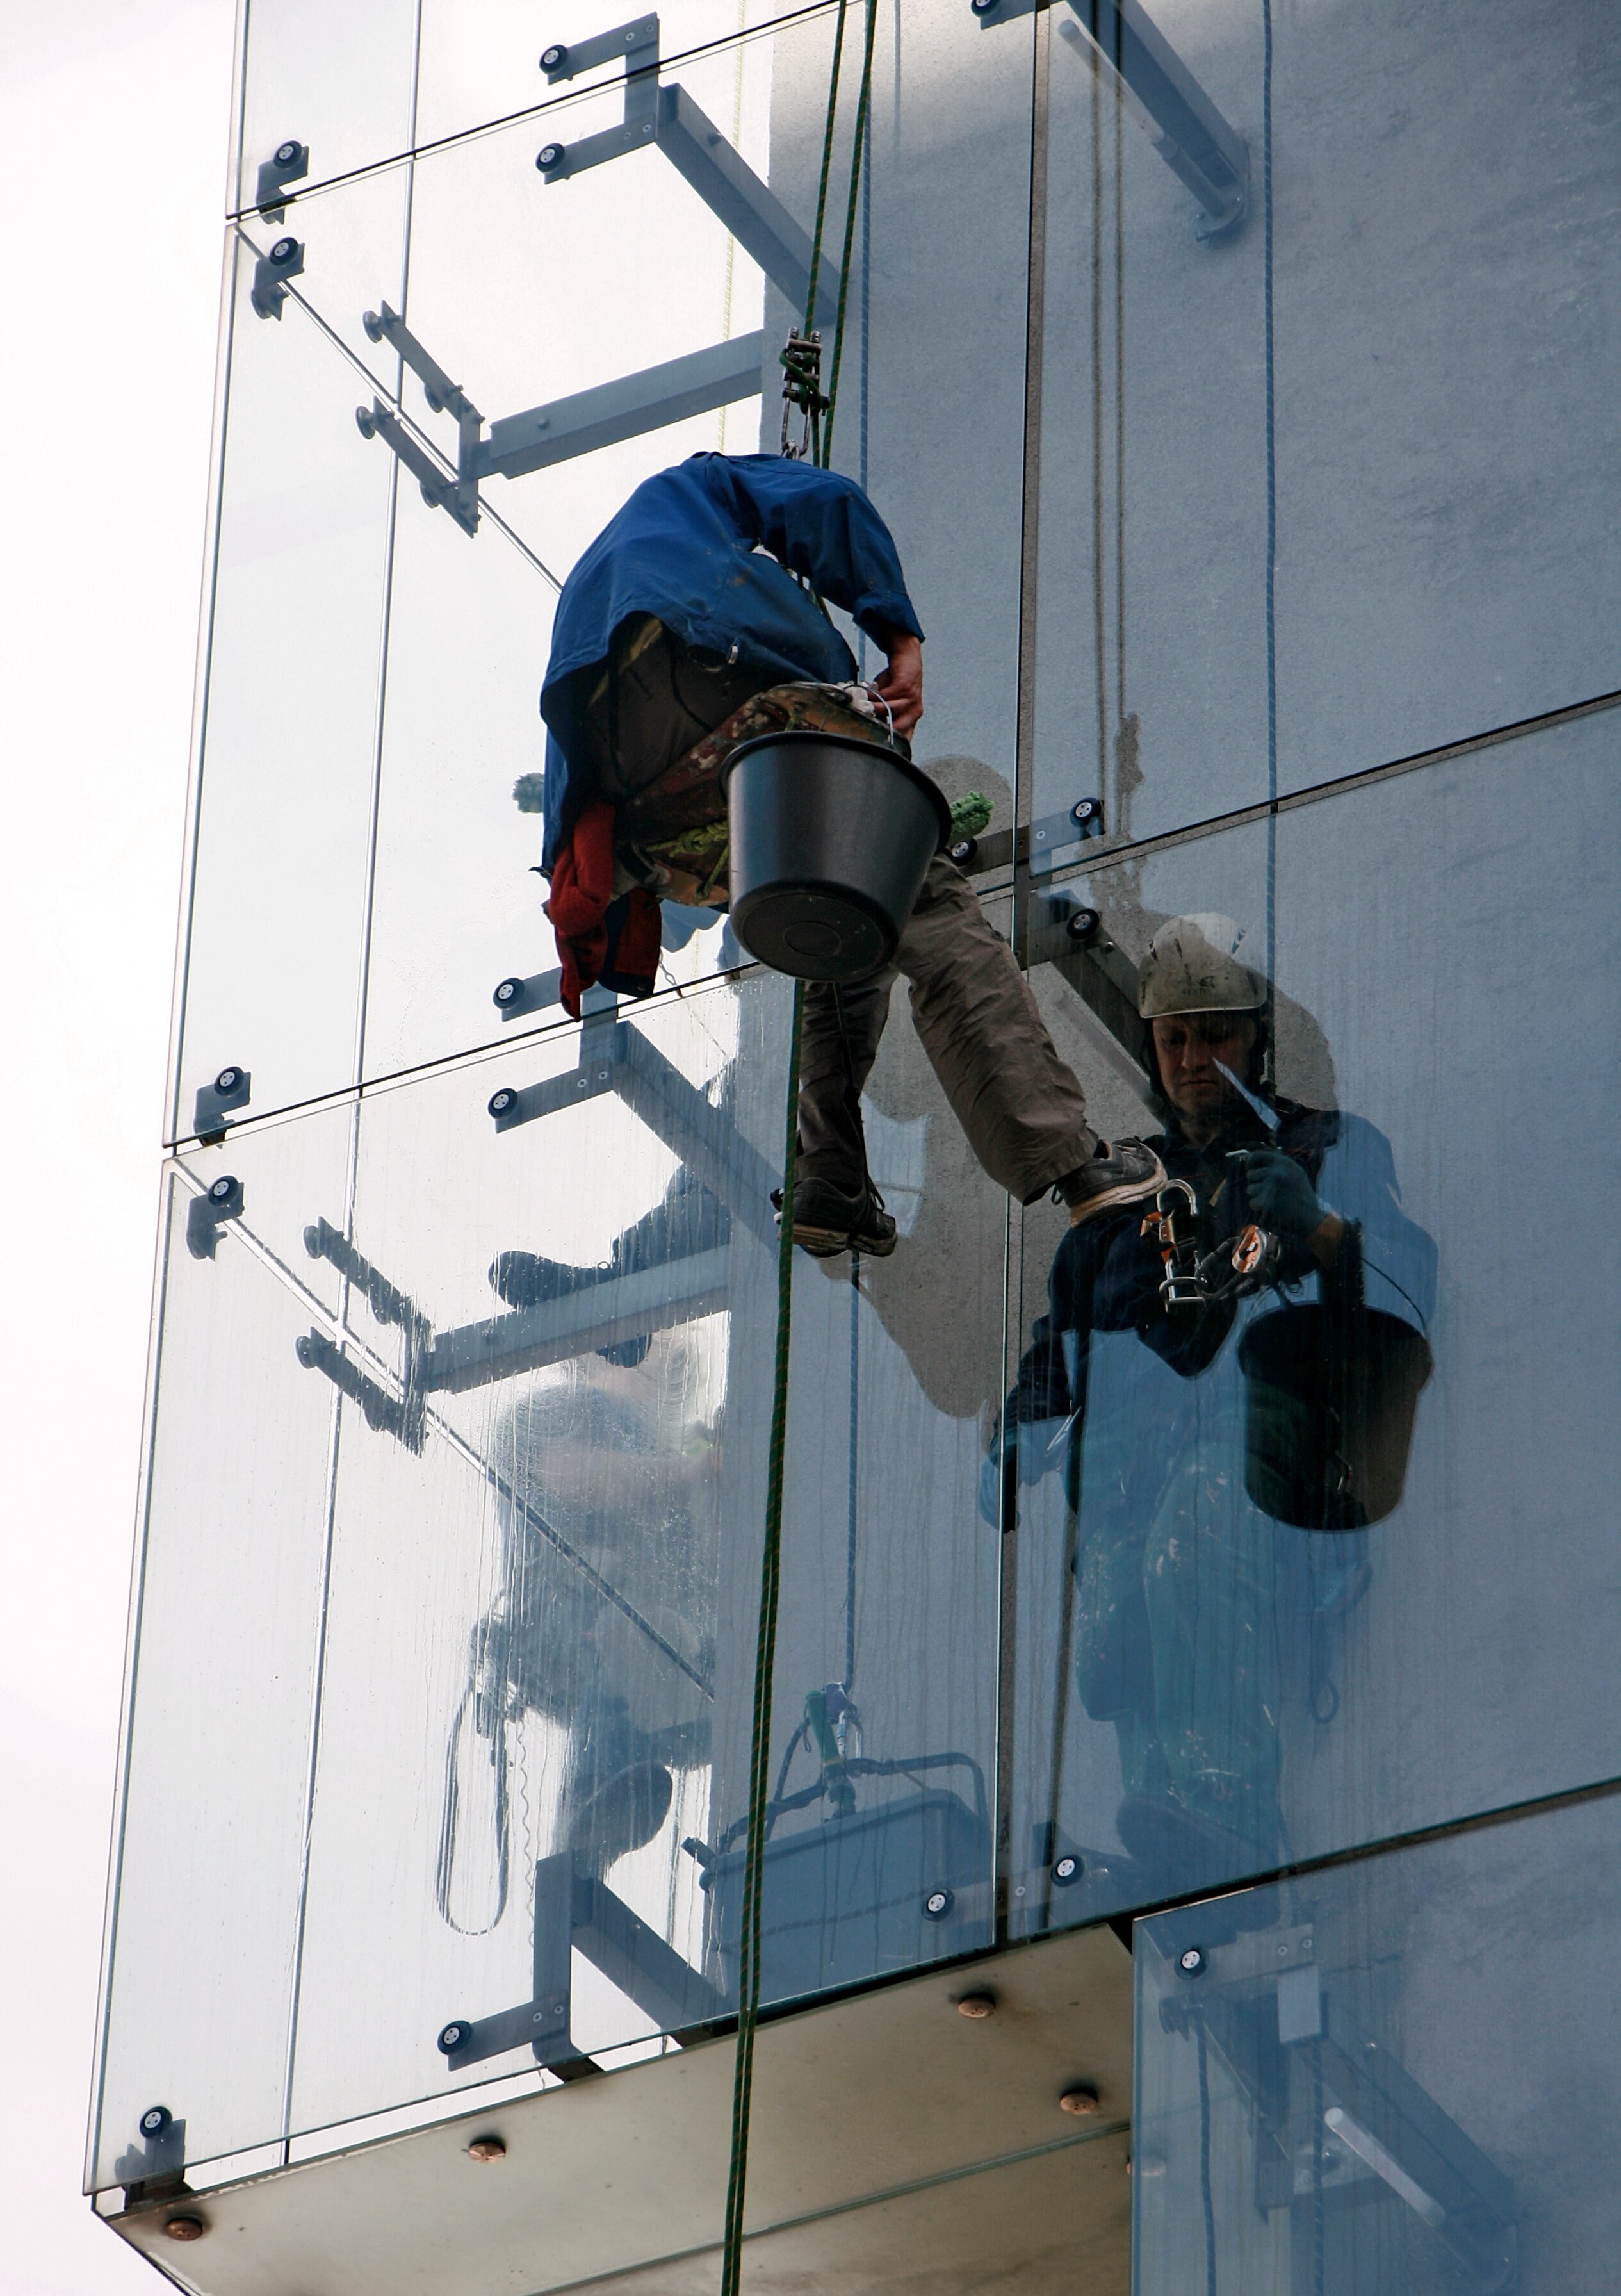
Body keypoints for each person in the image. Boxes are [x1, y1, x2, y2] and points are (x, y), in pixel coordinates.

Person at [523, 451, 1164, 1267]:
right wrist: (899, 641)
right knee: (921, 898)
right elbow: (825, 502)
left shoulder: (605, 577)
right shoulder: (696, 487)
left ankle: (827, 1172)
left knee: (839, 901)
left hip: (641, 804)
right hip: (708, 666)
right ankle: (1073, 1163)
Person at [989, 914, 1437, 1897]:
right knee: (1120, 1629)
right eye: (1174, 1039)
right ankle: (1178, 1845)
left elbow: (1409, 1296)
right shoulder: (1117, 1204)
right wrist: (1015, 1437)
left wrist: (1319, 1230)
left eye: (1217, 1035)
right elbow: (1056, 1351)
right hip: (1128, 1482)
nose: (1195, 1061)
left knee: (1185, 1545)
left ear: (1256, 1037)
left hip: (1262, 1462)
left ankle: (1226, 1805)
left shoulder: (1324, 1147)